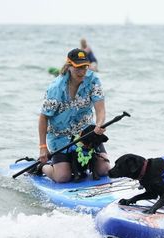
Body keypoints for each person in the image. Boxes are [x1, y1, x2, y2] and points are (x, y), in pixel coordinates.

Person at [38, 48, 110, 183]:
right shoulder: (56, 88)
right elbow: (43, 117)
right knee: (62, 177)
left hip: (86, 134)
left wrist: (99, 124)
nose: (82, 72)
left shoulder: (93, 80)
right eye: (78, 68)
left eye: (85, 67)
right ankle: (42, 166)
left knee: (104, 169)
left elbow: (100, 109)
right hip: (61, 137)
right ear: (69, 66)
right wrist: (43, 148)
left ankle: (78, 165)